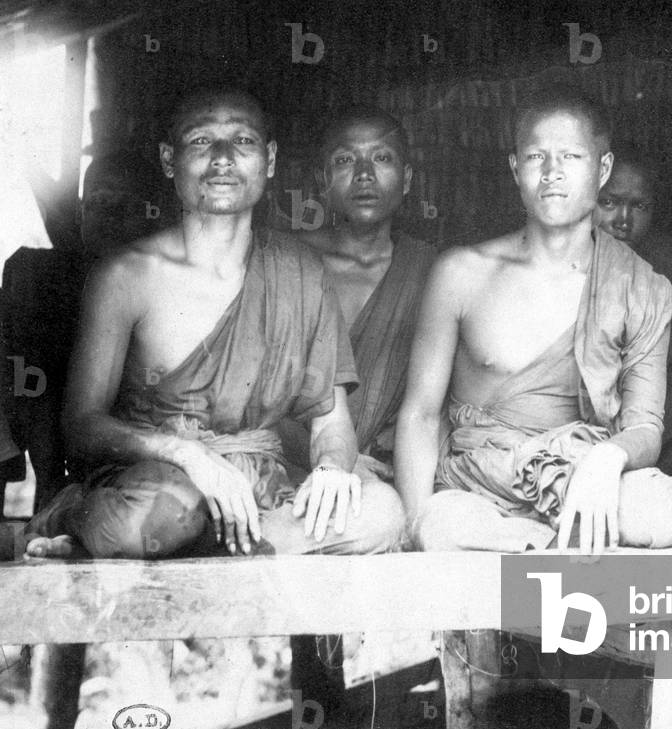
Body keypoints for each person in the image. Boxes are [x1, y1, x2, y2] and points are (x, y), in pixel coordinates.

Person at [19, 88, 403, 560]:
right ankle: (81, 514)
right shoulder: (126, 275)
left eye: (243, 140)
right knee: (165, 515)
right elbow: (82, 425)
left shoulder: (301, 271)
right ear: (169, 159)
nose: (223, 157)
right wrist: (188, 455)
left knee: (381, 513)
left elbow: (331, 420)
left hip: (260, 488)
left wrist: (331, 470)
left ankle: (204, 549)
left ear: (269, 160)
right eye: (201, 140)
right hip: (156, 482)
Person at [395, 85, 672, 556]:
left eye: (571, 157)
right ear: (515, 168)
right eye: (537, 157)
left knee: (658, 509)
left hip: (588, 480)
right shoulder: (461, 273)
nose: (552, 173)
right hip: (481, 485)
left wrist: (606, 459)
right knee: (443, 525)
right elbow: (420, 414)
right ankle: (552, 549)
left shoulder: (641, 287)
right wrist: (417, 524)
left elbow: (644, 428)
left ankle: (544, 549)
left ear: (603, 169)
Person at [281, 107, 436, 472]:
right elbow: (250, 401)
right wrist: (336, 458)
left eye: (382, 158)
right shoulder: (286, 262)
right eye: (345, 159)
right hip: (285, 465)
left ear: (407, 179)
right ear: (323, 180)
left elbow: (437, 408)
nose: (364, 174)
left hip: (391, 472)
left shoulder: (430, 272)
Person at [591, 145, 672, 483]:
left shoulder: (668, 272)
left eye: (639, 206)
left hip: (649, 426)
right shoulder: (567, 265)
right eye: (609, 202)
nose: (623, 221)